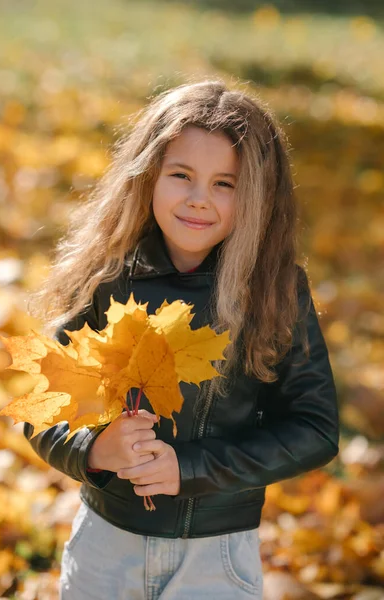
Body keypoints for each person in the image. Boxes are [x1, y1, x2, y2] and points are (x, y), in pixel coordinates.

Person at [24, 79, 340, 599]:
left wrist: (189, 468)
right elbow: (44, 400)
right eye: (181, 175)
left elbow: (315, 429)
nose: (199, 200)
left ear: (257, 197)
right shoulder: (108, 279)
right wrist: (95, 449)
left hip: (215, 557)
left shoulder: (274, 290)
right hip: (107, 548)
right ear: (148, 176)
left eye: (225, 184)